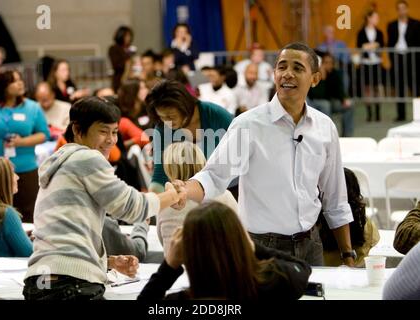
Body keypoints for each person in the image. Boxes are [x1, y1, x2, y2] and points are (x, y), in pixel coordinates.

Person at [174, 42, 355, 266]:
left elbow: (335, 197)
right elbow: (213, 176)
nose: (287, 74)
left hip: (311, 245)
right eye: (282, 67)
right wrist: (185, 189)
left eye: (298, 68)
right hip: (263, 248)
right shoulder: (248, 125)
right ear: (274, 74)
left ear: (315, 79)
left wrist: (347, 253)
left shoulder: (325, 127)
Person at [22, 96, 182, 300]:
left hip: (41, 282)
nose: (111, 140)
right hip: (69, 285)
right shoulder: (86, 158)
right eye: (103, 131)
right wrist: (173, 194)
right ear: (78, 130)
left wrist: (108, 262)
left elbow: (64, 233)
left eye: (115, 132)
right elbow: (132, 207)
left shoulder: (60, 162)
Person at [138, 201, 311, 300]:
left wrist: (169, 266)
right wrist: (253, 247)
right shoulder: (274, 282)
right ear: (240, 239)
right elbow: (302, 268)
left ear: (190, 253)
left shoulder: (180, 303)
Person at [0, 69, 50, 223]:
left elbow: (43, 134)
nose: (20, 83)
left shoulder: (32, 107)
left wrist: (21, 142)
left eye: (20, 79)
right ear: (2, 86)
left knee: (30, 215)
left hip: (26, 170)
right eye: (14, 80)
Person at [145, 80, 233, 193]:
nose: (167, 122)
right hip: (189, 193)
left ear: (185, 107)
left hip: (227, 187)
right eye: (162, 117)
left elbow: (241, 152)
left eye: (171, 116)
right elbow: (160, 172)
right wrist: (152, 200)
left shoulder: (216, 115)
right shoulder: (162, 128)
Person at [157, 142, 237, 254]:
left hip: (175, 267)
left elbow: (162, 240)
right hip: (220, 267)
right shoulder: (224, 196)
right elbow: (240, 233)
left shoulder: (167, 202)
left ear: (169, 169)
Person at [318, 168, 380, 267]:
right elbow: (373, 241)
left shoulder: (315, 225)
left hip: (321, 274)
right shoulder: (364, 223)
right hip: (355, 273)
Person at [387, 0, 420, 122]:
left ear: (407, 9)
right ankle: (401, 115)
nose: (401, 11)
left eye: (403, 8)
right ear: (397, 10)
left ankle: (418, 114)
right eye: (399, 8)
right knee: (399, 87)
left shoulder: (416, 24)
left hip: (412, 58)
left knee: (415, 88)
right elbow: (390, 43)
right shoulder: (391, 25)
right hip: (398, 58)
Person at [308, 52, 354, 137]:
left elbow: (340, 90)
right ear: (321, 64)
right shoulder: (315, 75)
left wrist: (344, 99)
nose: (328, 65)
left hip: (331, 101)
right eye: (326, 63)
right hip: (315, 102)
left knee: (350, 105)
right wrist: (323, 79)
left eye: (330, 63)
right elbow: (318, 94)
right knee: (326, 105)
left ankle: (347, 135)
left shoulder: (335, 74)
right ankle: (328, 135)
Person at [357, 10, 385, 122]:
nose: (377, 20)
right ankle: (369, 113)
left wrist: (368, 46)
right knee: (367, 88)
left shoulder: (379, 32)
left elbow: (381, 44)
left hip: (377, 62)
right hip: (366, 63)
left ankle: (378, 113)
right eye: (375, 17)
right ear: (369, 18)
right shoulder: (361, 32)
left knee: (377, 88)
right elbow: (360, 46)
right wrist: (373, 45)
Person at [108, 25, 136, 92]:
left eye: (130, 36)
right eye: (126, 36)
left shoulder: (130, 49)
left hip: (131, 77)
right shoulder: (114, 48)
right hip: (120, 78)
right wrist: (127, 62)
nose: (129, 38)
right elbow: (116, 64)